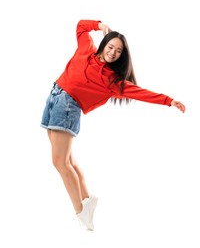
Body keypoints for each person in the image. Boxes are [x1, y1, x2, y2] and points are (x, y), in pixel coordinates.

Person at [41, 19, 186, 231]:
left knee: (59, 163)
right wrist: (99, 25)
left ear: (121, 56)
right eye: (110, 47)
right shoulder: (86, 49)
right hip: (54, 97)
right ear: (103, 45)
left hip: (67, 107)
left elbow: (142, 93)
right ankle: (87, 201)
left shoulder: (112, 82)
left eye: (118, 51)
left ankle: (81, 213)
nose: (113, 53)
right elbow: (81, 26)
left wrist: (168, 100)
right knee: (68, 160)